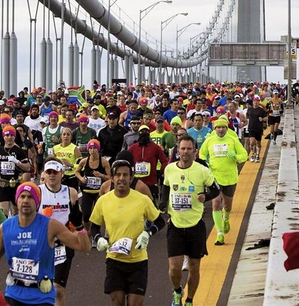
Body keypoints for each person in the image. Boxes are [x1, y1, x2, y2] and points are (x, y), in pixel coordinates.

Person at [0, 181, 90, 306]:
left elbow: (84, 247)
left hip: (42, 297)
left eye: (30, 197)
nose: (26, 200)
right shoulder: (5, 227)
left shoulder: (50, 225)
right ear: (17, 200)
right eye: (22, 196)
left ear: (37, 203)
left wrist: (79, 226)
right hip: (13, 294)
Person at [90, 160, 166, 306]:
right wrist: (98, 238)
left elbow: (160, 222)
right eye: (117, 175)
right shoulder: (103, 201)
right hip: (114, 259)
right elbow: (94, 227)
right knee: (116, 301)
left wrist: (147, 234)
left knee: (135, 303)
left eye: (125, 175)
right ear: (112, 178)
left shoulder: (142, 200)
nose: (121, 178)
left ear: (131, 178)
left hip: (137, 261)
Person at [158, 135, 219, 306]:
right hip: (176, 226)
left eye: (189, 149)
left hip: (195, 227)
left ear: (195, 151)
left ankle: (190, 300)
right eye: (183, 149)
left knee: (194, 267)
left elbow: (215, 190)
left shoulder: (202, 171)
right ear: (177, 151)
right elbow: (166, 186)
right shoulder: (170, 169)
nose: (185, 152)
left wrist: (205, 196)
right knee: (174, 268)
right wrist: (163, 202)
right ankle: (177, 291)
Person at [39, 160, 83, 306]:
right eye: (49, 172)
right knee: (39, 288)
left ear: (61, 174)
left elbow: (77, 218)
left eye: (55, 172)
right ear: (43, 174)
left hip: (63, 245)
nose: (52, 176)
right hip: (41, 244)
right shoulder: (37, 192)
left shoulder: (71, 193)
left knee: (58, 290)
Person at [198, 118, 247, 245]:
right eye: (218, 127)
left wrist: (235, 157)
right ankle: (219, 234)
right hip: (214, 177)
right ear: (215, 129)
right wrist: (206, 164)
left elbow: (244, 155)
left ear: (226, 128)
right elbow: (201, 155)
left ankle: (226, 218)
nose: (220, 130)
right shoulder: (209, 141)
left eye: (223, 127)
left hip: (230, 177)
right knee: (215, 204)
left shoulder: (232, 140)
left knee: (227, 206)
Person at [74, 139, 111, 232]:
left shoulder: (103, 162)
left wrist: (101, 175)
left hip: (99, 192)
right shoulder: (84, 161)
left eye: (94, 148)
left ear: (98, 149)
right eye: (90, 148)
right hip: (87, 191)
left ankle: (96, 233)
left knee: (98, 216)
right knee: (86, 215)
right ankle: (88, 232)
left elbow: (110, 177)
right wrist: (81, 178)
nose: (92, 150)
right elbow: (76, 171)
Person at [127, 125, 168, 201]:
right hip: (136, 181)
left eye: (146, 132)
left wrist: (161, 171)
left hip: (151, 182)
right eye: (142, 132)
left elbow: (164, 161)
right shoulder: (133, 148)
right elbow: (126, 160)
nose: (144, 133)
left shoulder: (155, 147)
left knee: (151, 202)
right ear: (138, 134)